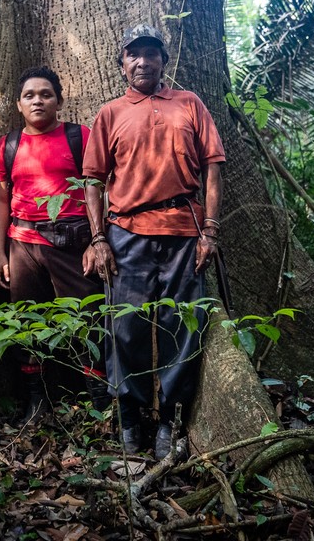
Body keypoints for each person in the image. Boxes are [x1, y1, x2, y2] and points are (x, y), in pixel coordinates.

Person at [82, 24, 225, 459]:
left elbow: (213, 168)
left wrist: (212, 231)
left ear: (164, 61)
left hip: (185, 233)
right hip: (126, 235)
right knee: (125, 328)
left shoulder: (190, 104)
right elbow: (93, 181)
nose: (143, 61)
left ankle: (168, 422)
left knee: (183, 326)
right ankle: (129, 419)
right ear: (122, 64)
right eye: (133, 55)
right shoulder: (110, 113)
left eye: (151, 54)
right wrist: (98, 238)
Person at [0, 67, 111, 422]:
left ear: (59, 100)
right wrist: (0, 253)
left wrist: (97, 239)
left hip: (73, 243)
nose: (38, 100)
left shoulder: (80, 136)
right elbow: (0, 200)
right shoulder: (8, 145)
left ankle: (100, 401)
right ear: (19, 105)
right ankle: (37, 401)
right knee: (28, 323)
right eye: (30, 95)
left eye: (45, 94)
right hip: (23, 243)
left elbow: (98, 188)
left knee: (88, 320)